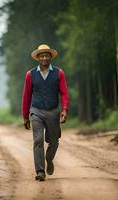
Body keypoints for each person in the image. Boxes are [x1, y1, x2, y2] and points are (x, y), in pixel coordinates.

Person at [21, 44, 69, 181]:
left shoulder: (59, 73)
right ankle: (40, 171)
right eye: (41, 55)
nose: (44, 58)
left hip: (53, 112)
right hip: (36, 111)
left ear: (50, 57)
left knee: (54, 141)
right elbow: (26, 96)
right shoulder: (30, 75)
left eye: (46, 55)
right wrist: (25, 116)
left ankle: (49, 158)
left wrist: (64, 109)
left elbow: (64, 93)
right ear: (37, 58)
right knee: (38, 140)